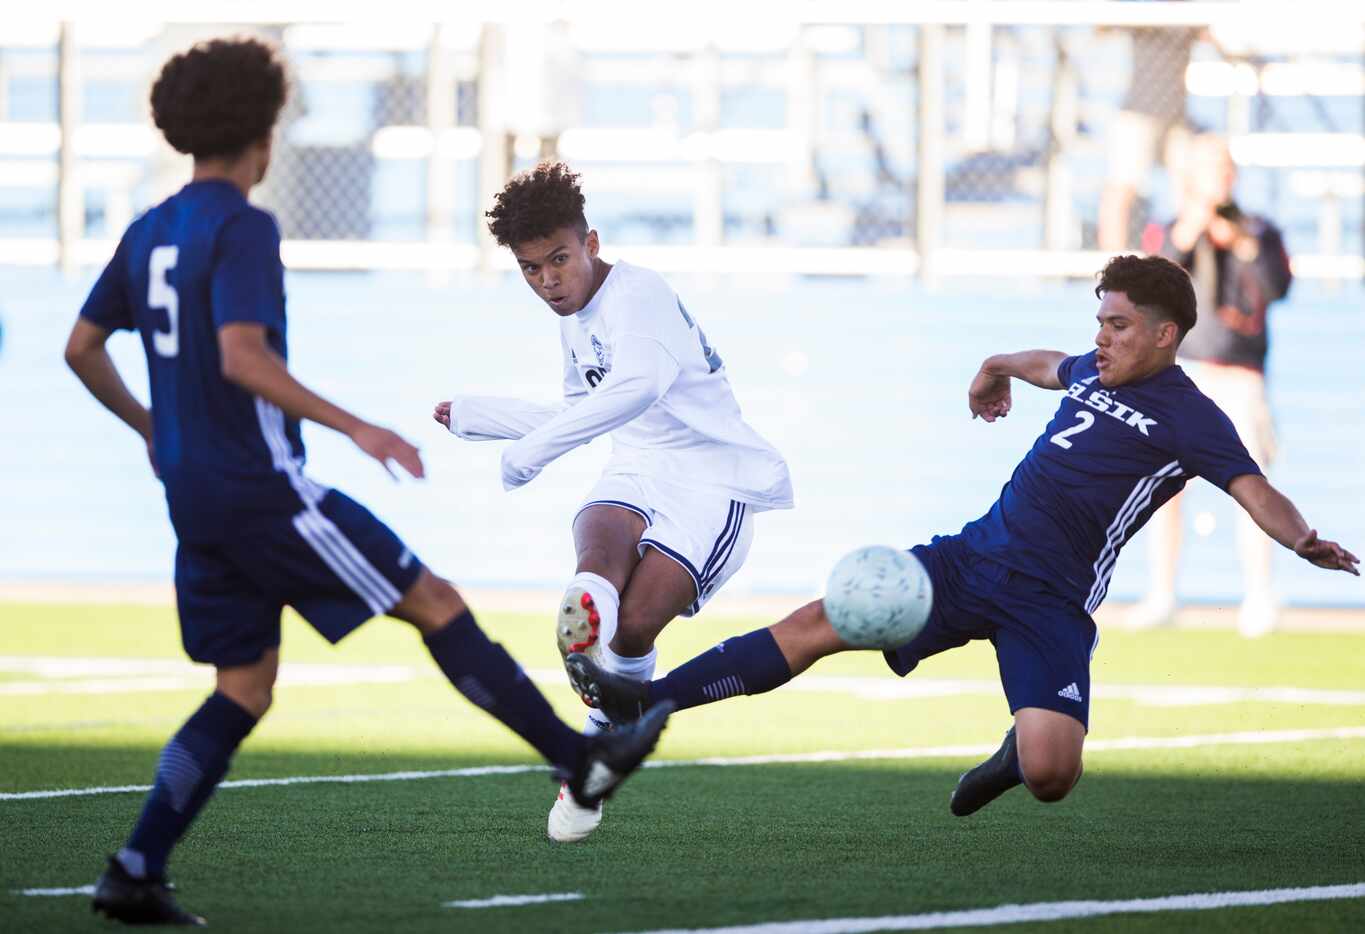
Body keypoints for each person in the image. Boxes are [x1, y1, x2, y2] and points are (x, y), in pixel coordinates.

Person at [64, 40, 670, 926]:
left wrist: (156, 431)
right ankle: (577, 761)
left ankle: (134, 867)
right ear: (262, 130)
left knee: (244, 686)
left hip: (192, 496)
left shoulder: (148, 229)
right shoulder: (241, 226)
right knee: (432, 600)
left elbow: (81, 348)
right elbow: (241, 355)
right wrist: (356, 425)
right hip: (261, 488)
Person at [566, 254, 1357, 820]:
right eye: (1099, 322)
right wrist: (994, 364)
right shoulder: (1095, 367)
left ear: (1162, 335)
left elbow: (1253, 488)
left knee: (1052, 776)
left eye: (1118, 325)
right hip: (972, 559)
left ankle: (1016, 754)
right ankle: (648, 701)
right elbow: (1051, 362)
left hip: (1050, 604)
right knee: (819, 621)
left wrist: (1301, 541)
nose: (1102, 337)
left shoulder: (1191, 419)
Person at [433, 162, 793, 842]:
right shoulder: (574, 316)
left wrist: (530, 453)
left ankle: (596, 753)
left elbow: (633, 388)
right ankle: (585, 609)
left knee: (636, 630)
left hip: (713, 480)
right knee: (597, 544)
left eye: (558, 260)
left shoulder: (638, 295)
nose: (547, 281)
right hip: (636, 461)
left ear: (591, 243)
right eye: (530, 269)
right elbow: (584, 407)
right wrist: (483, 417)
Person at [1132, 133, 1294, 636]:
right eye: (1209, 167)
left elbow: (1277, 286)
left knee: (1250, 483)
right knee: (1163, 488)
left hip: (1239, 374)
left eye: (1225, 167)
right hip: (1180, 375)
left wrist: (1238, 243)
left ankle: (1259, 595)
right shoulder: (1166, 228)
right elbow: (1149, 284)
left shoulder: (1259, 231)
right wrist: (1192, 228)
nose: (1220, 177)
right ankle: (1162, 592)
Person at [1097, 22, 1198, 251]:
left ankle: (1182, 264)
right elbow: (1102, 26)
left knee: (1189, 191)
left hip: (1176, 115)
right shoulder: (1142, 9)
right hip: (1139, 111)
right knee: (1122, 188)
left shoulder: (1189, 14)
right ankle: (1112, 265)